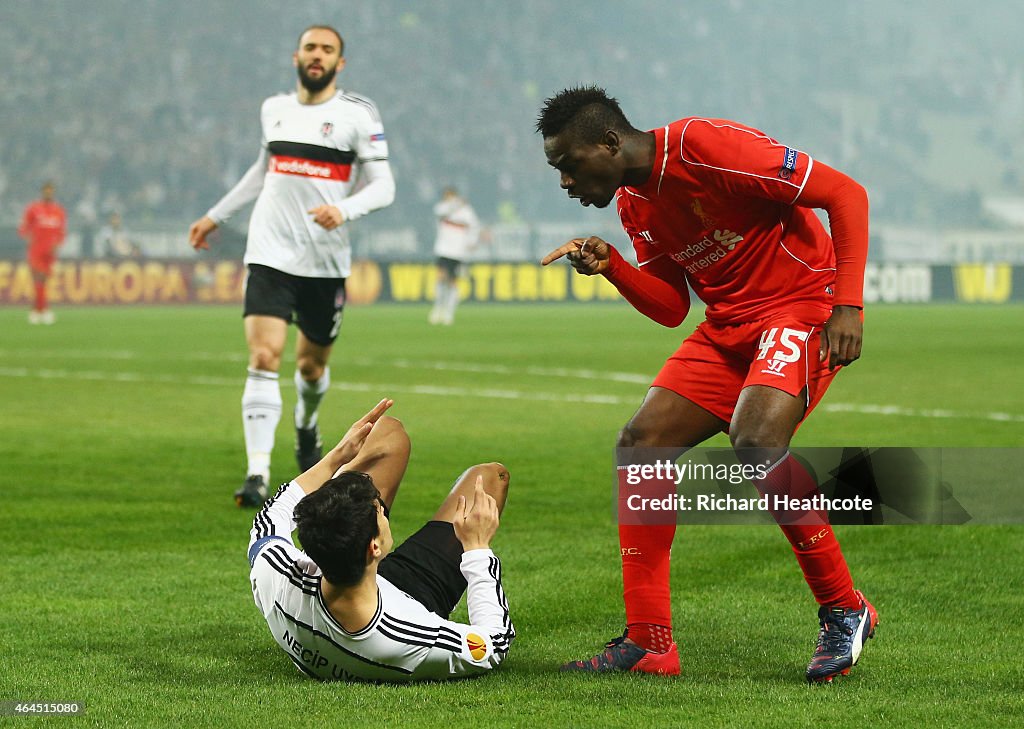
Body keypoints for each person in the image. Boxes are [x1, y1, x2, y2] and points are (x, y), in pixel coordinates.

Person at [537, 86, 877, 683]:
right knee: (641, 445)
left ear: (609, 142)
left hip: (801, 308)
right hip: (729, 328)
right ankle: (649, 642)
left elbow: (846, 193)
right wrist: (613, 267)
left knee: (756, 442)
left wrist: (848, 306)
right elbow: (672, 306)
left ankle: (844, 607)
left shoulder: (706, 147)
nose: (565, 181)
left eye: (568, 163)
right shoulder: (634, 204)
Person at [187, 25, 396, 507]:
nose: (317, 55)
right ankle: (257, 473)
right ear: (296, 56)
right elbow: (262, 172)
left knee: (309, 366)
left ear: (339, 63)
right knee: (264, 356)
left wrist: (343, 210)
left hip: (324, 261)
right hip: (269, 253)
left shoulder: (357, 114)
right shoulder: (274, 110)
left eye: (327, 49)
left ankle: (306, 424)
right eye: (310, 48)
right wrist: (215, 216)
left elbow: (384, 186)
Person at [247, 398, 515, 681]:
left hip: (352, 581)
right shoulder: (406, 634)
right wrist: (477, 549)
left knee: (387, 433)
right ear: (374, 547)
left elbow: (267, 519)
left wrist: (338, 455)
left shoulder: (277, 572)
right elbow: (494, 644)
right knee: (491, 479)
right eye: (379, 513)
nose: (383, 511)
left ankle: (337, 492)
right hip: (410, 597)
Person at [428, 187, 481, 325]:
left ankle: (449, 312)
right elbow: (440, 212)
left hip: (458, 252)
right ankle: (437, 308)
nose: (449, 199)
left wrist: (472, 242)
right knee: (440, 278)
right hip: (443, 249)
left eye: (451, 196)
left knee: (452, 282)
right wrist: (456, 203)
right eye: (447, 196)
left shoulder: (467, 211)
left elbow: (475, 227)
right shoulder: (442, 208)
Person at [18, 181, 66, 324]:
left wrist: (58, 244)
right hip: (36, 250)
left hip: (50, 252)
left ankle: (37, 310)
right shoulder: (33, 209)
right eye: (46, 191)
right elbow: (23, 227)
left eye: (50, 191)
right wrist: (28, 237)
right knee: (38, 278)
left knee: (43, 281)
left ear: (53, 192)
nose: (48, 193)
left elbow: (62, 231)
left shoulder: (59, 211)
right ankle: (42, 310)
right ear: (42, 192)